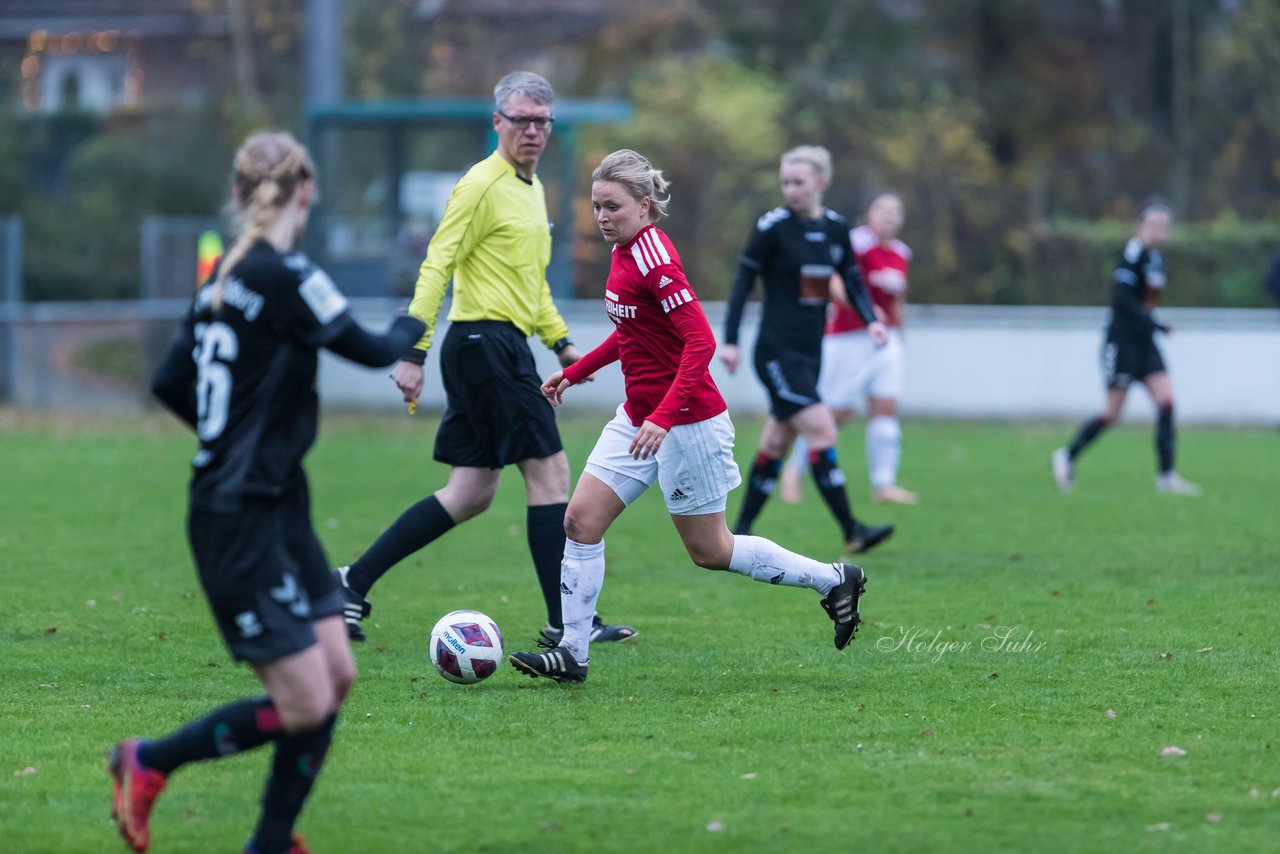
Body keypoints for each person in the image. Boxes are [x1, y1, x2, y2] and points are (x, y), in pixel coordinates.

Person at [109, 132, 426, 854]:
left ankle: (272, 842)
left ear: (242, 192)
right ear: (305, 193)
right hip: (237, 518)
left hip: (277, 506)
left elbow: (166, 382)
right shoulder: (286, 275)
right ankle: (148, 761)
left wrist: (225, 433)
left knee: (336, 675)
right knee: (307, 699)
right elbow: (376, 351)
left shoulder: (225, 273)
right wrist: (427, 307)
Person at [508, 150, 867, 684]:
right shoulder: (623, 250)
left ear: (644, 205)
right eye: (596, 207)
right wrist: (575, 370)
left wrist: (665, 417)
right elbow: (632, 331)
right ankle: (572, 652)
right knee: (579, 521)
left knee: (711, 550)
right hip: (639, 418)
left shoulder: (655, 258)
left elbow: (700, 341)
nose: (602, 217)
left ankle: (833, 578)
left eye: (613, 207)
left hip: (686, 422)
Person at [335, 71, 634, 645]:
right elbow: (436, 263)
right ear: (497, 122)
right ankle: (566, 623)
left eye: (542, 120)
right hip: (483, 345)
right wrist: (413, 348)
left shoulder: (531, 190)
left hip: (498, 346)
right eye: (520, 119)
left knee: (470, 493)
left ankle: (351, 582)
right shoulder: (480, 184)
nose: (532, 130)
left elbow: (535, 284)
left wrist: (564, 345)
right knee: (550, 473)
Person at [720, 145, 895, 555]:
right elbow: (742, 284)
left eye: (798, 182)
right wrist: (729, 340)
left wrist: (871, 319)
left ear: (821, 182)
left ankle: (739, 533)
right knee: (822, 429)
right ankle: (853, 530)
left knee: (776, 443)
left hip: (810, 354)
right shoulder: (772, 228)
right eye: (785, 182)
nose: (790, 190)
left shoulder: (835, 229)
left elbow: (852, 280)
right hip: (776, 354)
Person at [779, 191, 919, 506]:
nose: (889, 216)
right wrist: (865, 312)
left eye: (895, 211)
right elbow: (833, 281)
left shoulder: (900, 253)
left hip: (885, 341)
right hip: (848, 337)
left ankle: (884, 484)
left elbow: (898, 301)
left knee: (885, 407)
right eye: (882, 209)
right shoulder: (856, 242)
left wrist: (900, 336)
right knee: (834, 413)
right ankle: (794, 471)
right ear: (868, 213)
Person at [1052, 200, 1200, 495]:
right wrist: (1155, 324)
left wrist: (1155, 325)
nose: (1160, 231)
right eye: (1154, 225)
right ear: (1142, 226)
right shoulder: (1133, 253)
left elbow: (1147, 302)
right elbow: (1122, 298)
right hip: (1122, 344)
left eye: (1164, 226)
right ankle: (1066, 456)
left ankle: (1166, 476)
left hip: (1146, 344)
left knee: (1167, 403)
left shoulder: (1156, 259)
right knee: (1112, 414)